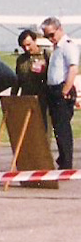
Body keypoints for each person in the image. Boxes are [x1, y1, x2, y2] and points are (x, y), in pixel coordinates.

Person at [41, 17, 79, 170]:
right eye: (46, 36)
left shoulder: (68, 46)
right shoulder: (56, 48)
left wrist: (65, 90)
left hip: (62, 89)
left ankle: (66, 163)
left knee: (62, 128)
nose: (50, 38)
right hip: (53, 90)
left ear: (60, 29)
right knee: (58, 127)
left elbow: (73, 69)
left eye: (51, 34)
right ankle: (63, 159)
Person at [13, 29, 51, 100]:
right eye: (23, 46)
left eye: (28, 45)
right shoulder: (21, 59)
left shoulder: (46, 55)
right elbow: (17, 80)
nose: (26, 48)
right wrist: (13, 97)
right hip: (26, 97)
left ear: (35, 41)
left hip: (43, 98)